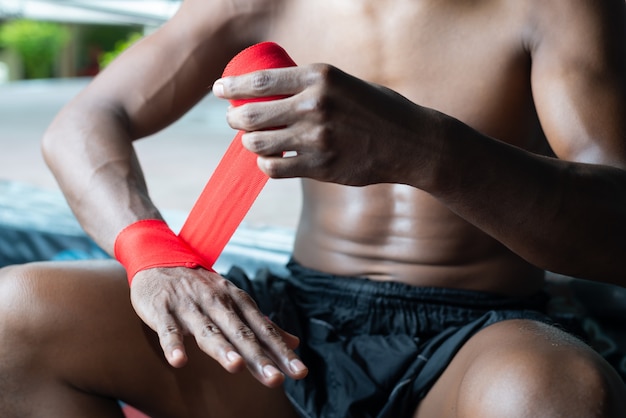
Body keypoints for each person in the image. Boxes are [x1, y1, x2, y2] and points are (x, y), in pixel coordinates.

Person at [0, 0, 625, 416]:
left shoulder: (554, 7)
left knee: (558, 395)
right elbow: (84, 122)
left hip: (478, 342)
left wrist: (429, 150)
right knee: (16, 316)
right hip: (289, 333)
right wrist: (153, 255)